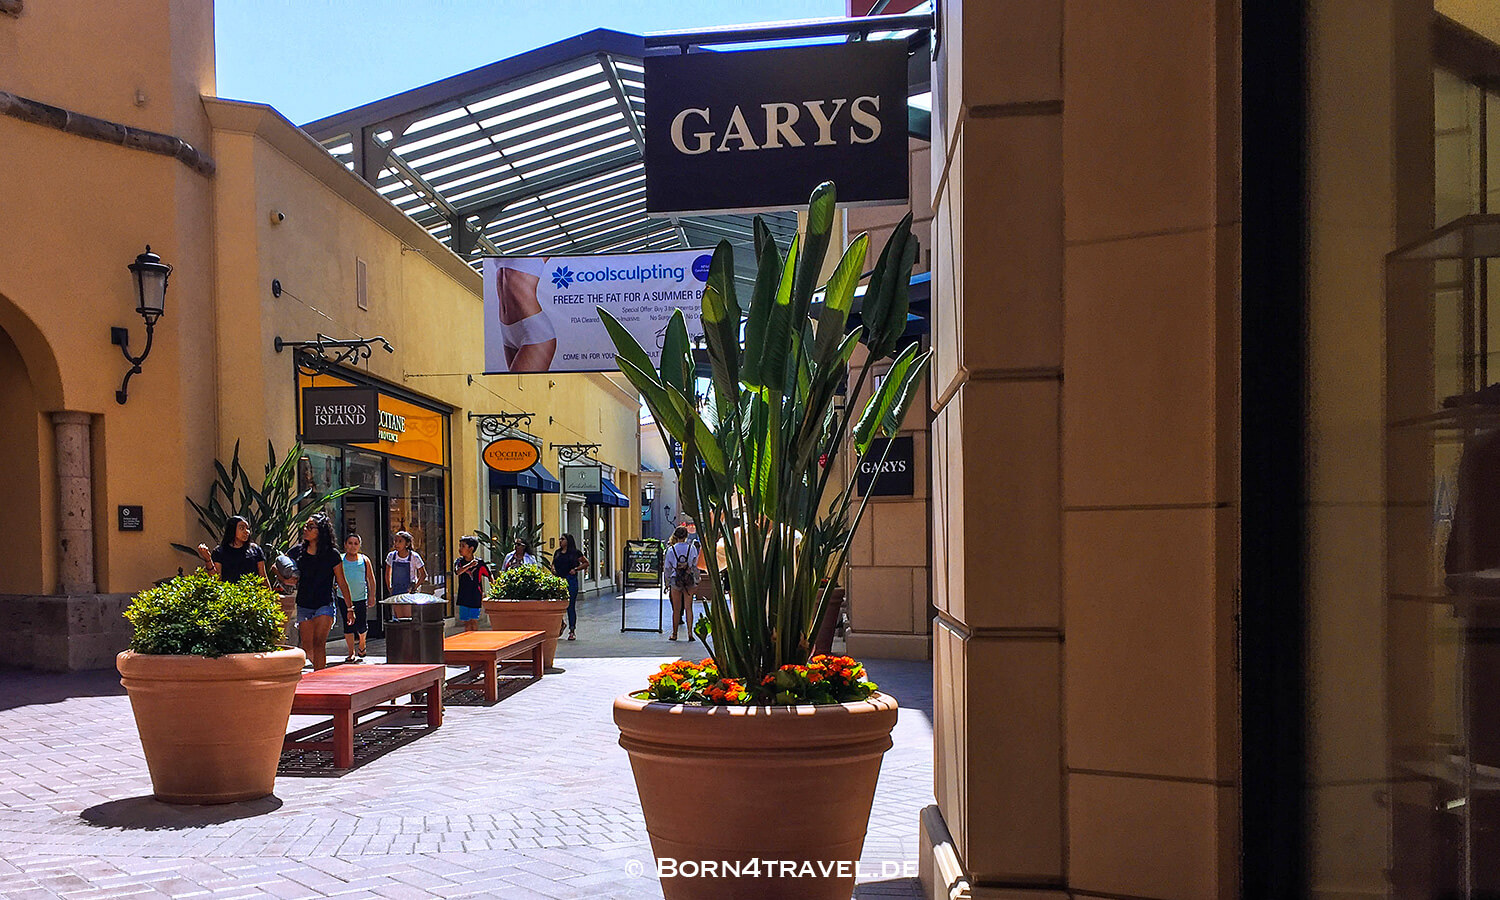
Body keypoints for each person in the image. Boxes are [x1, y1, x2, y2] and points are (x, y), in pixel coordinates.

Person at [289, 514, 352, 671]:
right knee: (308, 647)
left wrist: (350, 608)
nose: (306, 529)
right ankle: (318, 670)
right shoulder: (297, 551)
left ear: (321, 530)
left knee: (319, 642)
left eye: (311, 527)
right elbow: (278, 565)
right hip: (304, 603)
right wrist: (285, 579)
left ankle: (319, 678)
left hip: (325, 603)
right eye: (305, 526)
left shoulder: (332, 554)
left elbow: (342, 582)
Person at [488, 257, 557, 373]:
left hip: (534, 330)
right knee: (514, 387)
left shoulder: (540, 247)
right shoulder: (505, 247)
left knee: (522, 386)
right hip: (506, 331)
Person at [195, 515, 271, 588]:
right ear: (232, 530)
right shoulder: (220, 551)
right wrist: (208, 559)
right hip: (230, 596)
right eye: (242, 528)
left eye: (247, 528)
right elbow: (216, 579)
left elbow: (263, 576)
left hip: (252, 596)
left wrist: (270, 597)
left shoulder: (255, 550)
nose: (246, 531)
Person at [338, 533, 374, 662]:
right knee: (348, 625)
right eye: (350, 543)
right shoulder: (340, 560)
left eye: (356, 544)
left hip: (360, 597)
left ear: (359, 546)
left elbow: (370, 578)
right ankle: (350, 652)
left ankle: (362, 644)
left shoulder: (364, 560)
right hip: (343, 597)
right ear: (345, 545)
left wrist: (372, 596)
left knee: (361, 625)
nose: (353, 546)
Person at [664, 525, 700, 642]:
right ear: (686, 536)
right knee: (689, 607)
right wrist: (697, 579)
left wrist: (667, 582)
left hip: (676, 579)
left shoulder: (671, 550)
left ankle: (674, 634)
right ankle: (690, 633)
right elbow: (695, 565)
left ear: (675, 536)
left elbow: (667, 568)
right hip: (688, 579)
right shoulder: (692, 548)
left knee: (676, 609)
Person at [552, 533, 588, 642]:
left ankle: (572, 630)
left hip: (570, 580)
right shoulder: (557, 553)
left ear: (568, 541)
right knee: (557, 605)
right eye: (560, 539)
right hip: (559, 579)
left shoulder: (575, 553)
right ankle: (562, 624)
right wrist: (553, 569)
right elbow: (553, 563)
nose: (560, 541)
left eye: (562, 539)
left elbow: (586, 563)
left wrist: (576, 569)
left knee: (570, 605)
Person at [454, 536, 491, 632]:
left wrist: (494, 590)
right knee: (466, 622)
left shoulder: (480, 563)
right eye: (460, 546)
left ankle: (475, 639)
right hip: (463, 595)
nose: (460, 549)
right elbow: (458, 572)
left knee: (474, 621)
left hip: (475, 595)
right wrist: (470, 565)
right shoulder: (459, 562)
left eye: (463, 546)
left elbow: (489, 575)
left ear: (471, 549)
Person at [385, 531, 427, 596]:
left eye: (400, 541)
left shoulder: (414, 556)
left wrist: (415, 587)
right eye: (395, 541)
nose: (396, 544)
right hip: (396, 590)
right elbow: (387, 574)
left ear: (407, 543)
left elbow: (423, 574)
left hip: (409, 590)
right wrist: (389, 588)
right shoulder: (391, 556)